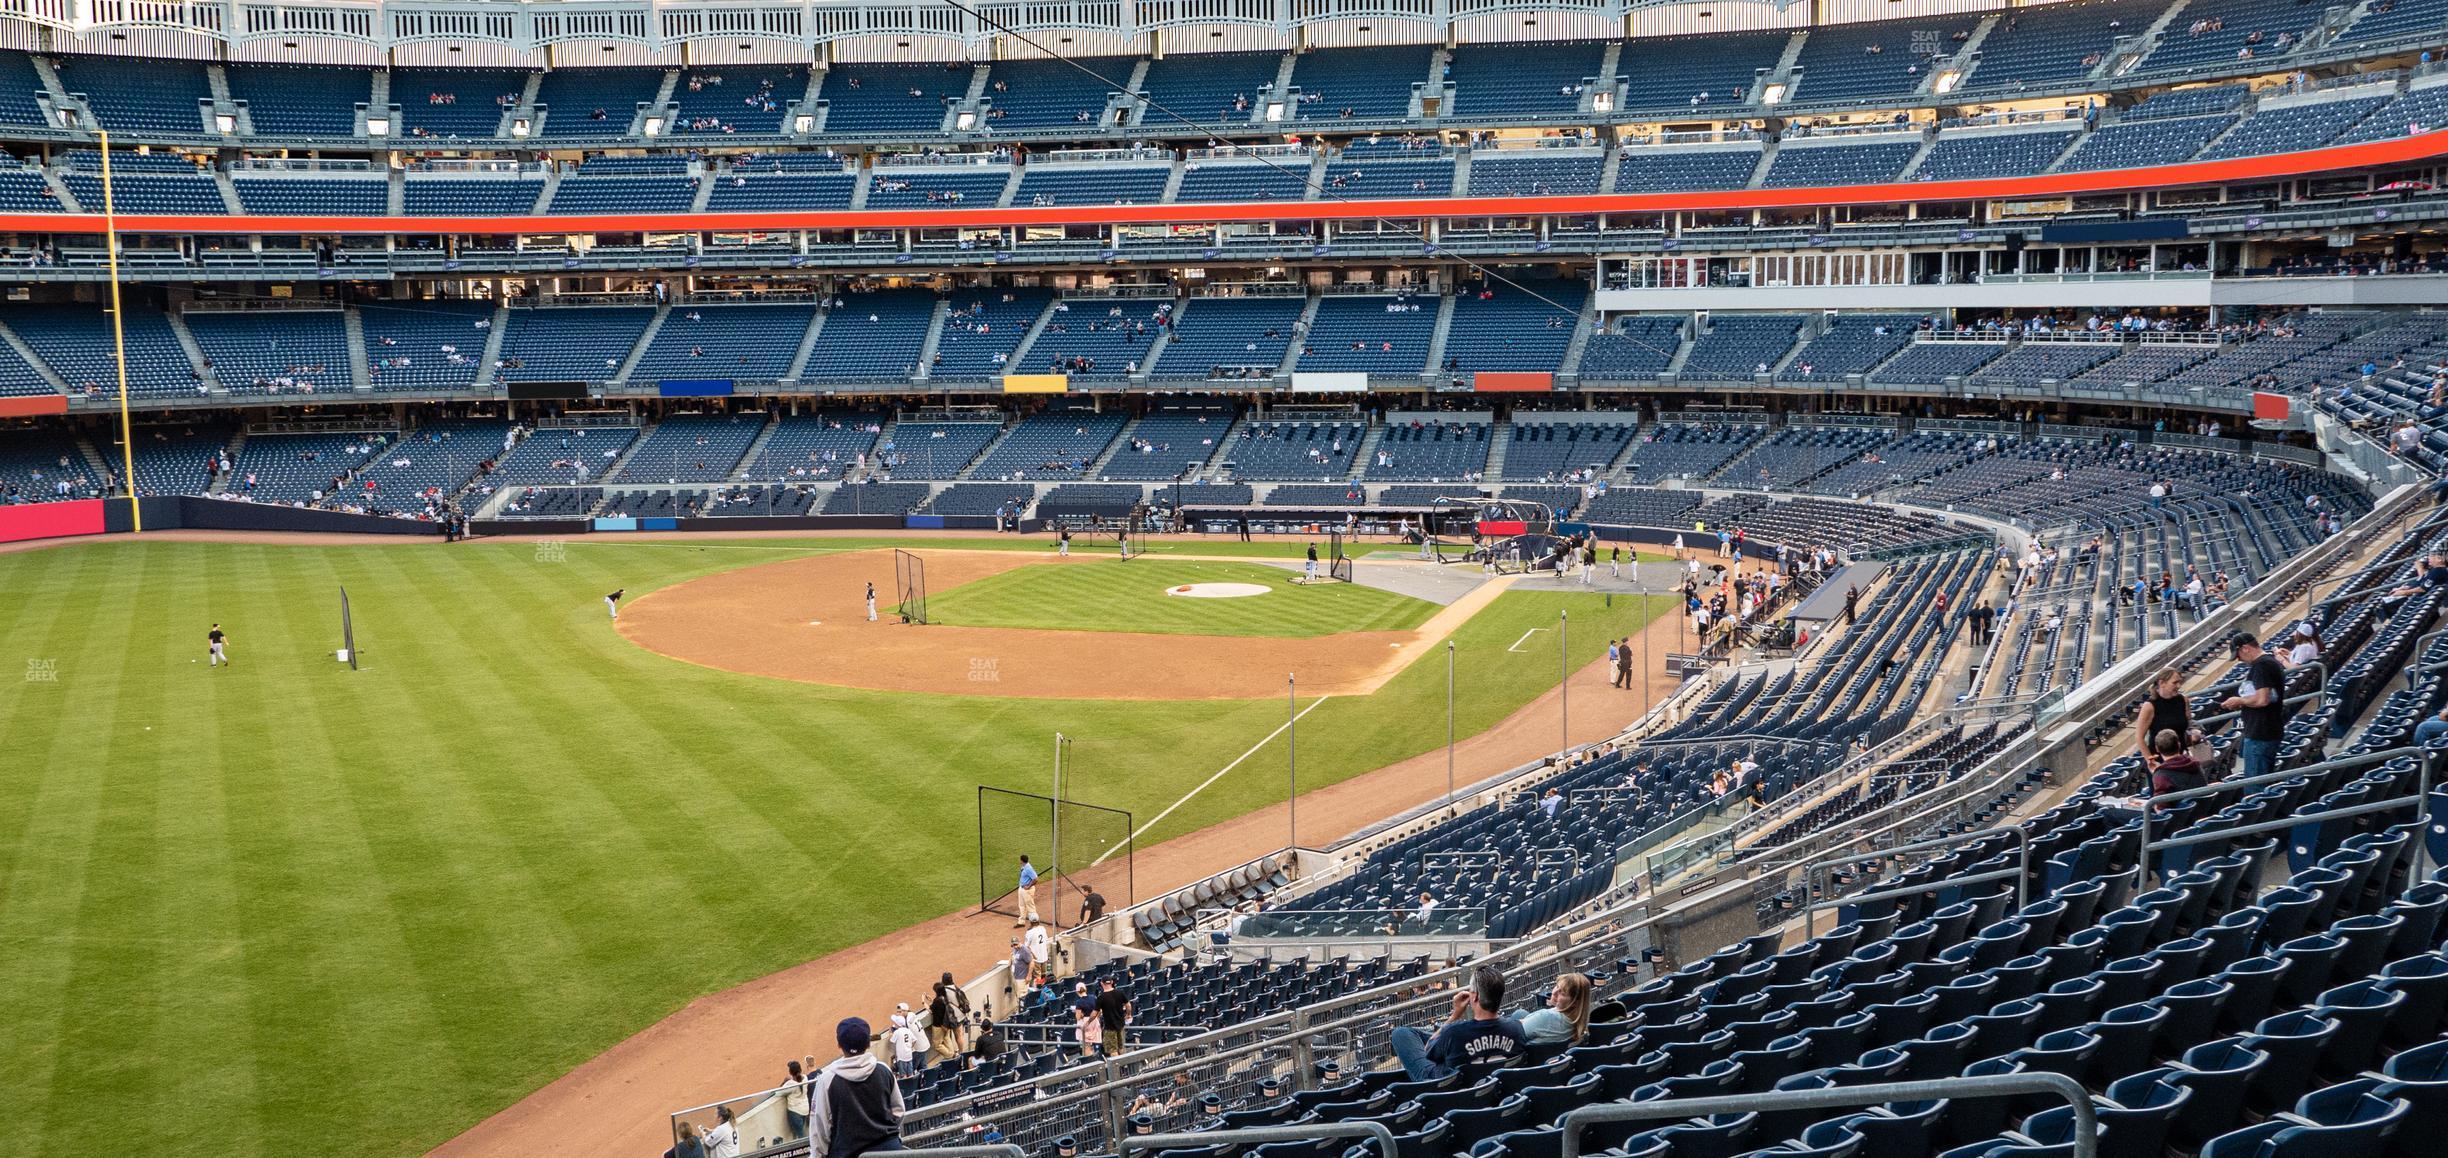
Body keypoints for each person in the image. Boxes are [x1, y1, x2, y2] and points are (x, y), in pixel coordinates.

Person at [1389, 968, 1527, 1080]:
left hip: (1443, 1086)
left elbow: (1428, 1052)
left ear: (1475, 996)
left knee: (1401, 1033)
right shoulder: (1517, 1028)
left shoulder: (1454, 1032)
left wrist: (1455, 1015)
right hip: (1493, 1084)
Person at [809, 1017, 905, 1158]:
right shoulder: (883, 1070)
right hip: (890, 1151)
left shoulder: (826, 1080)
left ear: (839, 1045)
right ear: (867, 1044)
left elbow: (819, 1130)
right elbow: (899, 1111)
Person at [2221, 632, 2289, 781]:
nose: (2239, 660)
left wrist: (2239, 701)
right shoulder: (2269, 662)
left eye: (2238, 655)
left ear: (2245, 648)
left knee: (2255, 785)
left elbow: (2262, 700)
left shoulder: (2262, 665)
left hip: (2261, 733)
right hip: (2269, 730)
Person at [2135, 667, 2199, 768]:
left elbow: (2190, 724)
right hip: (2160, 762)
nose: (2178, 686)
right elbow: (2139, 737)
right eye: (2175, 683)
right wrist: (2150, 761)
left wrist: (2194, 732)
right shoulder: (2150, 706)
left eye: (2179, 682)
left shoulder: (2183, 700)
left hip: (2182, 758)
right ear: (2162, 683)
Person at [1515, 972, 1593, 1045]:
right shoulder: (1578, 1024)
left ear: (1575, 1002)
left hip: (1526, 1053)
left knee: (1517, 1014)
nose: (1554, 993)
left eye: (1562, 993)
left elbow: (1514, 1032)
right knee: (1521, 1013)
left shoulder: (1546, 1017)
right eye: (1557, 986)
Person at [2148, 728, 2208, 806]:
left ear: (2157, 749)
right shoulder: (2194, 762)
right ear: (2179, 745)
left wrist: (2157, 774)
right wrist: (2157, 772)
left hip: (2181, 816)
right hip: (2203, 809)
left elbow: (2161, 808)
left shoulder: (2160, 775)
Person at [928, 971, 970, 1061]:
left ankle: (958, 1054)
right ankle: (960, 1053)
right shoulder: (955, 988)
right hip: (961, 1014)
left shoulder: (944, 990)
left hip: (953, 1016)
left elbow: (940, 1001)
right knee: (959, 1035)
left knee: (955, 1035)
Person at [1096, 976, 1132, 1056]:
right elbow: (1128, 1005)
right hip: (1121, 1025)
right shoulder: (1120, 992)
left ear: (1101, 983)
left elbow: (1096, 1012)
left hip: (1109, 1028)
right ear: (1111, 982)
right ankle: (1124, 1067)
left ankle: (1117, 1068)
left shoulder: (1101, 997)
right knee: (1121, 1047)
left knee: (1112, 1050)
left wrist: (1092, 1021)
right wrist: (1128, 1014)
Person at [783, 1059, 812, 1140]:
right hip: (805, 1110)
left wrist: (784, 1081)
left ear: (790, 1072)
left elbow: (777, 1093)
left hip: (795, 1112)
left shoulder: (790, 1084)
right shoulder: (805, 1078)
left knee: (801, 1136)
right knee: (800, 1133)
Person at [1014, 855, 1041, 926]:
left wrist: (1029, 886)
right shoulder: (1024, 866)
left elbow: (1035, 879)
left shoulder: (1028, 868)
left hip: (1027, 890)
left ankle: (1035, 922)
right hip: (1022, 888)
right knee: (1022, 905)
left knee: (1030, 906)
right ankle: (1021, 922)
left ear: (1021, 860)